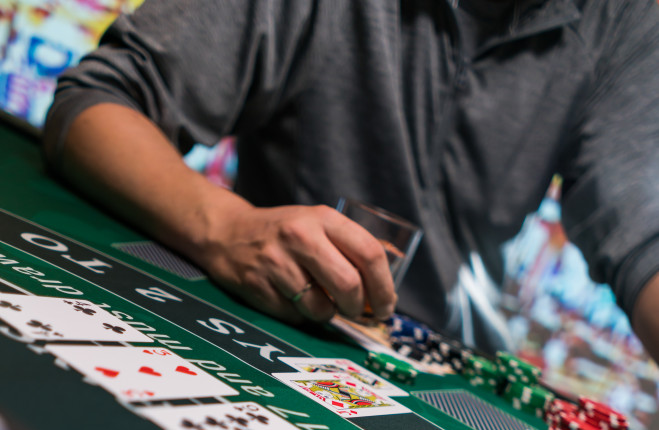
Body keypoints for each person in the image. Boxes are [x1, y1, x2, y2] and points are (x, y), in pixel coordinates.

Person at [43, 0, 659, 360]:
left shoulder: (630, 18)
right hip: (273, 324)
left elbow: (645, 241)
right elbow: (99, 103)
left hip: (450, 380)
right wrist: (226, 228)